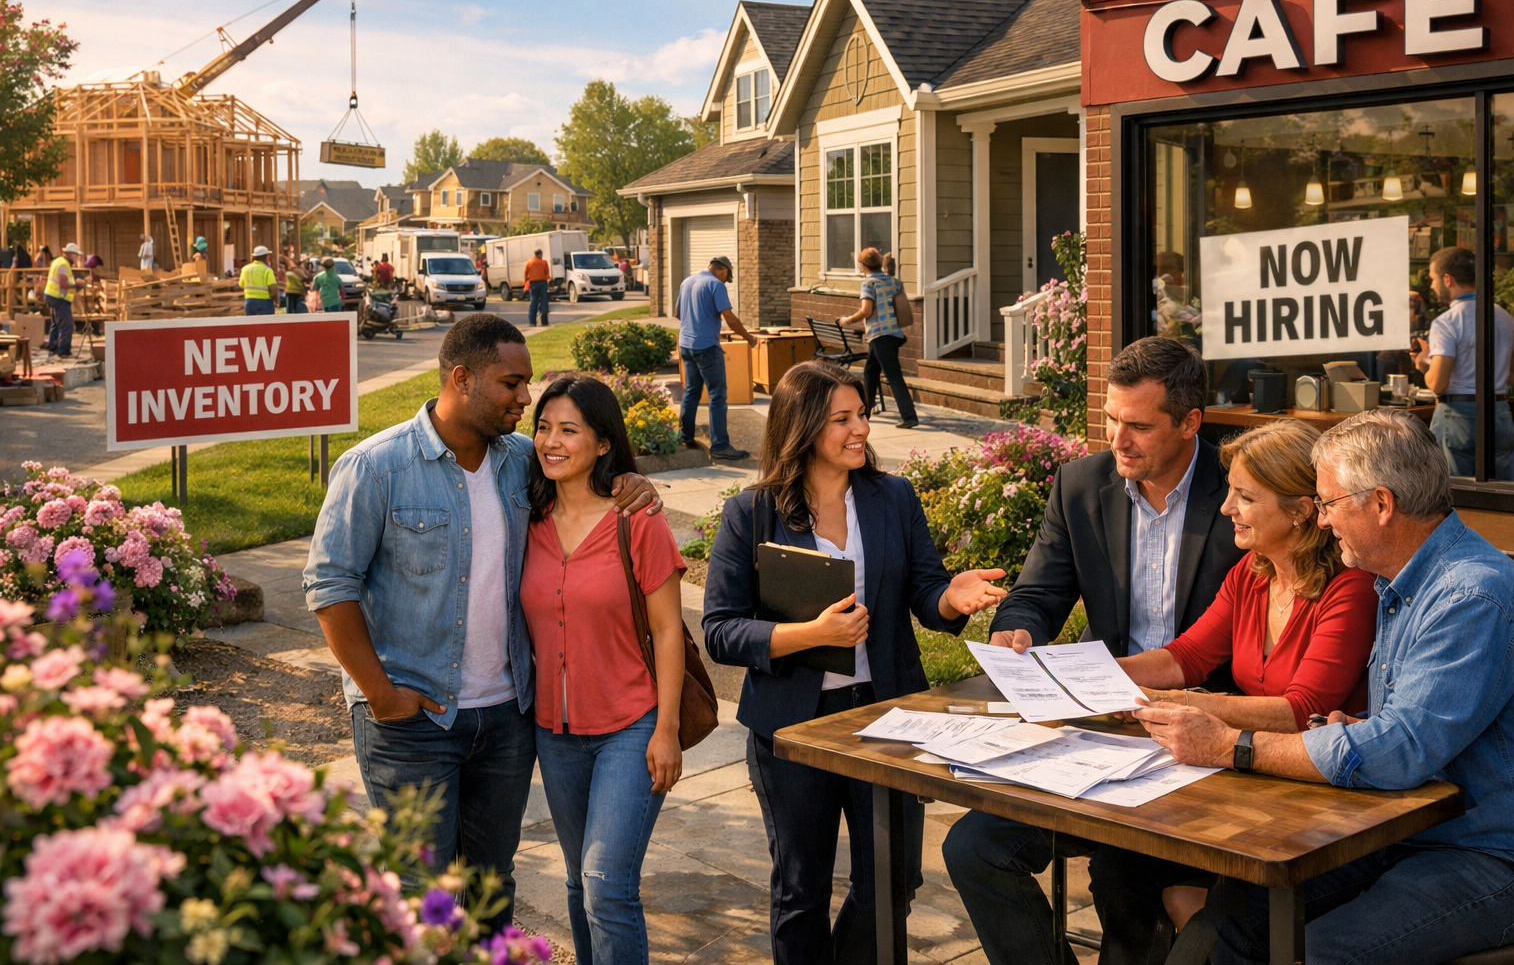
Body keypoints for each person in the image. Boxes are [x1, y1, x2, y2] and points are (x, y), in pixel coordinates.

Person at [303, 314, 665, 929]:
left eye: (527, 384)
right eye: (511, 383)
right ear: (462, 378)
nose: (525, 398)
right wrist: (381, 695)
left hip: (506, 720)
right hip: (412, 722)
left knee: (491, 888)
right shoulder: (375, 467)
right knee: (423, 898)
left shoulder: (522, 460)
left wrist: (630, 482)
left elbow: (587, 477)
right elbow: (329, 587)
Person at [1136, 410, 1514, 965]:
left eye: (1328, 504)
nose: (1323, 521)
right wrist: (1360, 727)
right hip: (1407, 830)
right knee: (1235, 913)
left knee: (1320, 953)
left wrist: (1232, 746)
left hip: (1493, 856)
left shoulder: (1469, 597)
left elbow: (1401, 750)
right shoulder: (1401, 582)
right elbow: (1408, 727)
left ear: (1381, 504)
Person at [941, 336, 1242, 965]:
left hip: (1208, 730)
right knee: (974, 847)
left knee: (1123, 876)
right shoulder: (1082, 484)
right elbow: (1038, 593)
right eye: (1110, 418)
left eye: (1139, 426)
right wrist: (1016, 631)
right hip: (1101, 723)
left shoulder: (1239, 493)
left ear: (1190, 422)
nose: (1117, 439)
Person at [703, 360, 1008, 965]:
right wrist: (810, 634)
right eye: (842, 419)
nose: (861, 429)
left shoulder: (892, 497)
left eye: (862, 414)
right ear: (802, 427)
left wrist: (951, 598)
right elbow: (720, 630)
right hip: (794, 728)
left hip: (885, 718)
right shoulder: (752, 513)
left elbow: (926, 591)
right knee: (801, 891)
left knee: (893, 882)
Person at [1087, 418, 1379, 947]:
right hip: (1247, 784)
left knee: (1197, 907)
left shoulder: (1351, 587)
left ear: (1301, 510)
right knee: (1116, 866)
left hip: (1311, 802)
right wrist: (1084, 672)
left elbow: (1301, 709)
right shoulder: (1253, 572)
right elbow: (1188, 656)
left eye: (1244, 497)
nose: (1225, 509)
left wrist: (1163, 701)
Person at [522, 374, 687, 965]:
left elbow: (668, 630)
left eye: (570, 430)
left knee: (606, 885)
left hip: (631, 726)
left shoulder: (635, 519)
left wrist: (667, 730)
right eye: (544, 427)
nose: (552, 441)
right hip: (555, 732)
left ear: (603, 444)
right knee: (577, 881)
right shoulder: (528, 517)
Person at [1411, 245, 1514, 479]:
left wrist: (1423, 363)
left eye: (1433, 279)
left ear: (1447, 279)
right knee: (1503, 493)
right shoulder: (1504, 317)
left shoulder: (1446, 322)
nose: (1432, 286)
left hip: (1458, 415)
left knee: (1456, 492)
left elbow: (1438, 384)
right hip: (1498, 411)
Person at [675, 255, 757, 460]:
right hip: (706, 348)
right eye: (726, 278)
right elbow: (730, 319)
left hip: (686, 345)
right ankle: (720, 446)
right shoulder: (715, 285)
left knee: (691, 392)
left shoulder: (687, 281)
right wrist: (749, 338)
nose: (725, 281)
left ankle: (685, 436)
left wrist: (697, 321)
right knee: (717, 396)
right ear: (723, 271)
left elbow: (677, 313)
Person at [838, 247, 918, 429]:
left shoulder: (869, 284)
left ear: (863, 265)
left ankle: (909, 416)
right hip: (893, 333)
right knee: (870, 371)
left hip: (880, 335)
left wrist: (847, 320)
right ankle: (865, 411)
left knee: (894, 375)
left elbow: (866, 311)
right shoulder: (894, 282)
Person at [42, 243, 82, 356]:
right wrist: (76, 285)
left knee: (56, 323)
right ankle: (63, 350)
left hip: (52, 295)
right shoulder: (63, 265)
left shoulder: (58, 261)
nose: (77, 258)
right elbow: (63, 284)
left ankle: (53, 346)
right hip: (58, 298)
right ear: (70, 254)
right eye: (76, 255)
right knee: (66, 324)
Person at [241, 245, 277, 315]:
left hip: (249, 302)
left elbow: (241, 284)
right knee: (266, 321)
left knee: (251, 321)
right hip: (265, 303)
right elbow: (273, 288)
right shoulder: (267, 270)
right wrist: (276, 299)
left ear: (254, 257)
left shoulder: (245, 269)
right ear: (267, 257)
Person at [525, 249, 551, 327]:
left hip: (533, 283)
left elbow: (525, 273)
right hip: (543, 282)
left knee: (533, 301)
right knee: (544, 301)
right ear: (540, 254)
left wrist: (525, 283)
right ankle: (544, 321)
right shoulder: (544, 262)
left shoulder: (529, 262)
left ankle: (532, 322)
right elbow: (547, 273)